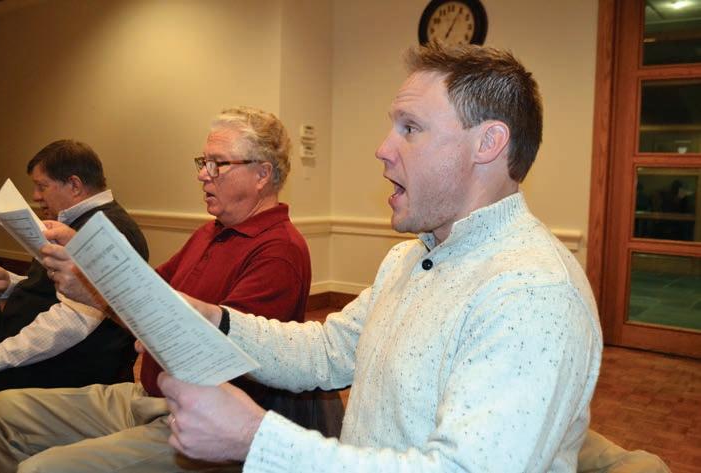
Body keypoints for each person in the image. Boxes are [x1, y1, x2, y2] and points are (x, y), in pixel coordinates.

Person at [156, 44, 603, 471]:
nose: (383, 149)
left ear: (488, 142)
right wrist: (214, 320)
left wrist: (253, 438)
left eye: (410, 128)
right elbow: (326, 350)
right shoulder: (410, 258)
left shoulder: (534, 293)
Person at [0, 107, 343, 473]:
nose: (202, 175)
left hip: (201, 419)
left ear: (262, 175)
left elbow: (212, 358)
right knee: (1, 412)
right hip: (149, 394)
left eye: (217, 164)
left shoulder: (279, 251)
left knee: (44, 468)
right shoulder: (210, 232)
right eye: (203, 162)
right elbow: (146, 290)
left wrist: (95, 290)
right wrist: (83, 253)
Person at [0, 140, 149, 393]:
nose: (35, 196)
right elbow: (54, 290)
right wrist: (10, 284)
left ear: (74, 185)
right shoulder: (78, 222)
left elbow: (70, 323)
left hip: (59, 370)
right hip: (32, 356)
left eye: (42, 186)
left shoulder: (109, 231)